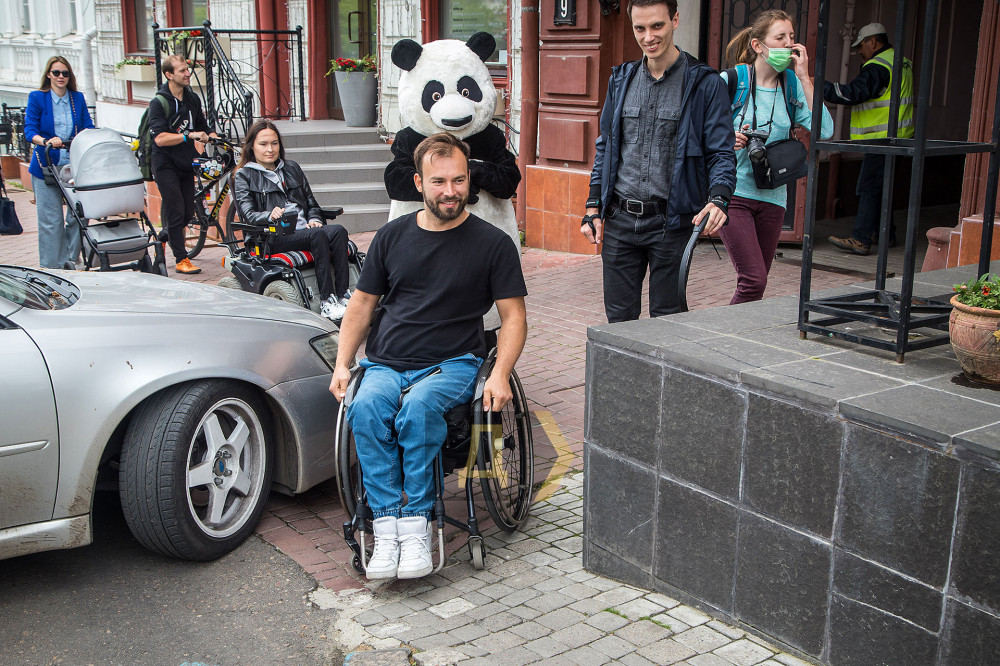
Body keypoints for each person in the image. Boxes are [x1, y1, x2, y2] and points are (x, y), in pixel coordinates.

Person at [329, 133, 527, 581]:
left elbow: (514, 318)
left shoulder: (493, 244)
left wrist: (500, 373)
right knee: (365, 406)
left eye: (459, 180)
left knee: (418, 411)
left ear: (469, 179)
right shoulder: (391, 236)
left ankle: (417, 525)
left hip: (453, 363)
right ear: (419, 183)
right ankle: (386, 526)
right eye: (439, 181)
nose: (450, 191)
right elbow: (361, 305)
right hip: (386, 362)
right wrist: (343, 362)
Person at [582, 0, 736, 323]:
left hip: (672, 223)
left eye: (657, 26)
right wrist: (593, 206)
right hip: (620, 220)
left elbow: (721, 152)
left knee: (668, 321)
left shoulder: (705, 84)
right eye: (640, 28)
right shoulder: (620, 79)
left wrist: (719, 197)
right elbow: (606, 146)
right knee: (619, 323)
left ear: (675, 20)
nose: (648, 37)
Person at [720, 10, 834, 304]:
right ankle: (722, 330)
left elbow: (825, 130)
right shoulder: (732, 81)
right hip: (734, 193)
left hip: (774, 197)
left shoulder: (791, 85)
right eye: (780, 37)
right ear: (758, 45)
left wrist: (805, 78)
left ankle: (739, 329)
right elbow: (698, 130)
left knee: (756, 283)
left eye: (791, 37)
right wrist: (726, 138)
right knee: (753, 280)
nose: (788, 44)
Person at [232, 119, 352, 320]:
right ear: (252, 146)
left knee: (338, 231)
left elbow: (312, 203)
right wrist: (268, 215)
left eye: (274, 143)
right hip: (272, 236)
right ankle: (327, 301)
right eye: (263, 144)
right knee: (318, 235)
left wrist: (314, 218)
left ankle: (343, 295)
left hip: (305, 231)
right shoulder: (244, 175)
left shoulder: (292, 168)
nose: (270, 149)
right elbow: (248, 215)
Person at [825, 22, 914, 256]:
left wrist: (817, 86)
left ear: (872, 42)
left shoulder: (878, 66)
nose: (858, 52)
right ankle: (885, 234)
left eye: (860, 47)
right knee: (882, 188)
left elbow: (853, 93)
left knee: (869, 187)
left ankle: (861, 238)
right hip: (901, 137)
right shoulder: (902, 62)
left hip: (881, 139)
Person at [24, 56, 95, 269]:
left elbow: (87, 125)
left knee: (78, 215)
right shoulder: (38, 97)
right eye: (56, 73)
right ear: (48, 74)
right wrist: (46, 141)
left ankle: (70, 261)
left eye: (65, 73)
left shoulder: (77, 98)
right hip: (46, 166)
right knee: (51, 221)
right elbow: (30, 130)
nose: (61, 77)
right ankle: (51, 267)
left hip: (73, 166)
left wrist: (87, 137)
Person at [148, 54, 216, 274]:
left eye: (188, 69)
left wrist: (213, 136)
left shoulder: (192, 98)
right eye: (182, 70)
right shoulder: (159, 103)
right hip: (164, 163)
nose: (188, 73)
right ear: (169, 75)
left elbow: (202, 125)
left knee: (187, 213)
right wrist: (188, 135)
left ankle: (162, 237)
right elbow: (160, 139)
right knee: (176, 209)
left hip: (185, 161)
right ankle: (181, 259)